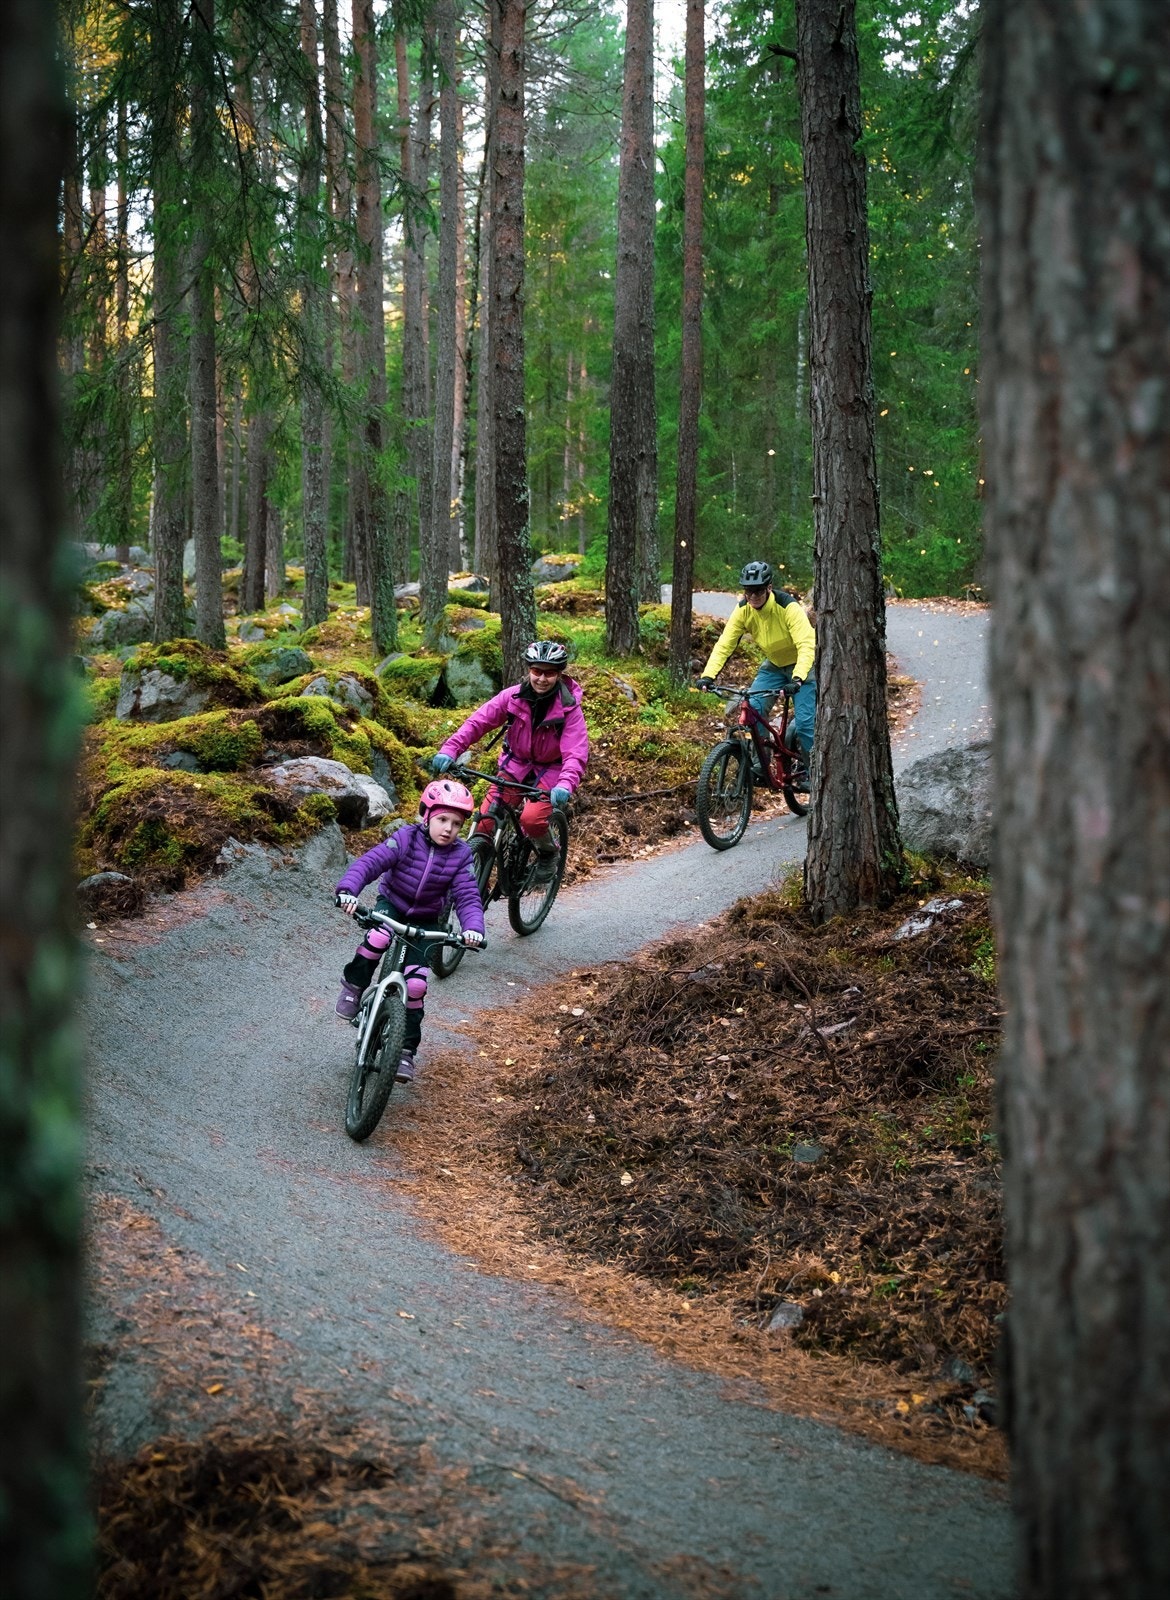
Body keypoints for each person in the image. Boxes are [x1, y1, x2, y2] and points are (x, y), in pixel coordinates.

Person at [333, 778, 485, 1083]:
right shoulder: (405, 838)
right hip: (393, 903)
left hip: (428, 920)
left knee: (416, 986)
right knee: (378, 936)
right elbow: (370, 863)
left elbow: (468, 895)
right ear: (427, 816)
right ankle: (353, 987)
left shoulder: (461, 855)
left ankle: (404, 1051)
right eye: (442, 819)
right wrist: (348, 890)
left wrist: (473, 929)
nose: (448, 829)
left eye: (456, 824)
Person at [431, 639, 589, 885]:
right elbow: (478, 722)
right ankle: (470, 881)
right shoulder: (512, 696)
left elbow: (575, 752)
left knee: (532, 819)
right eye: (537, 671)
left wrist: (566, 784)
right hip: (515, 764)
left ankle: (548, 853)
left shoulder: (569, 709)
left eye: (549, 673)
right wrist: (450, 749)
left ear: (559, 674)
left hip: (551, 772)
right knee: (484, 821)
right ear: (529, 670)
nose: (542, 678)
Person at [695, 560, 817, 768]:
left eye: (758, 591)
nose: (752, 597)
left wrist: (797, 679)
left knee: (806, 723)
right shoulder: (743, 610)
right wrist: (708, 675)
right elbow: (725, 643)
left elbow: (806, 645)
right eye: (747, 592)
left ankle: (812, 773)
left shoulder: (788, 607)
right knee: (753, 709)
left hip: (802, 667)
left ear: (769, 588)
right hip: (774, 665)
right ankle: (761, 762)